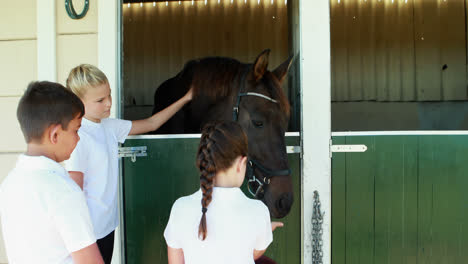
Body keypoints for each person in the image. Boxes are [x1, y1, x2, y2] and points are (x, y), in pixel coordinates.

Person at [64, 64, 193, 263]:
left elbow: (152, 124)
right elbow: (74, 193)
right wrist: (81, 237)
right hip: (89, 234)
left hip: (107, 226)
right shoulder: (79, 138)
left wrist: (186, 98)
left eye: (109, 95)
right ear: (78, 102)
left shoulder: (110, 126)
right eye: (100, 100)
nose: (108, 103)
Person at [0, 81, 103, 264]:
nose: (78, 138)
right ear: (55, 134)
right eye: (76, 130)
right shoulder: (63, 190)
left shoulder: (10, 183)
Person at [164, 121, 283, 264]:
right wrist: (266, 229)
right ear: (241, 163)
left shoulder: (180, 208)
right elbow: (251, 254)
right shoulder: (258, 211)